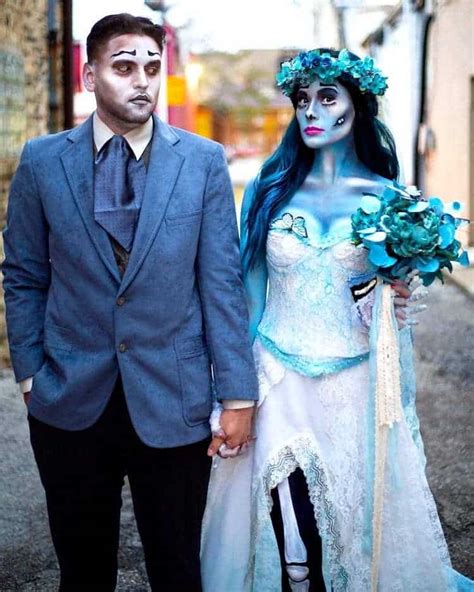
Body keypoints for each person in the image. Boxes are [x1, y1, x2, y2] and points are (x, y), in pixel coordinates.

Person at [2, 13, 258, 592]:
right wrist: (31, 375)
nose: (142, 80)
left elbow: (221, 283)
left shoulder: (202, 161)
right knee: (82, 572)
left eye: (151, 67)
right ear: (90, 76)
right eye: (123, 67)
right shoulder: (42, 161)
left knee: (177, 569)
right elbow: (23, 274)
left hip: (173, 396)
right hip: (69, 397)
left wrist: (237, 395)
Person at [201, 49, 473, 591]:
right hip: (278, 376)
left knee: (352, 522)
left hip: (356, 383)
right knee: (286, 524)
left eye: (328, 98)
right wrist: (230, 395)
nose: (311, 110)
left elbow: (392, 304)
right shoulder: (268, 192)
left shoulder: (393, 200)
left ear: (359, 105)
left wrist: (395, 301)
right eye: (302, 99)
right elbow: (247, 301)